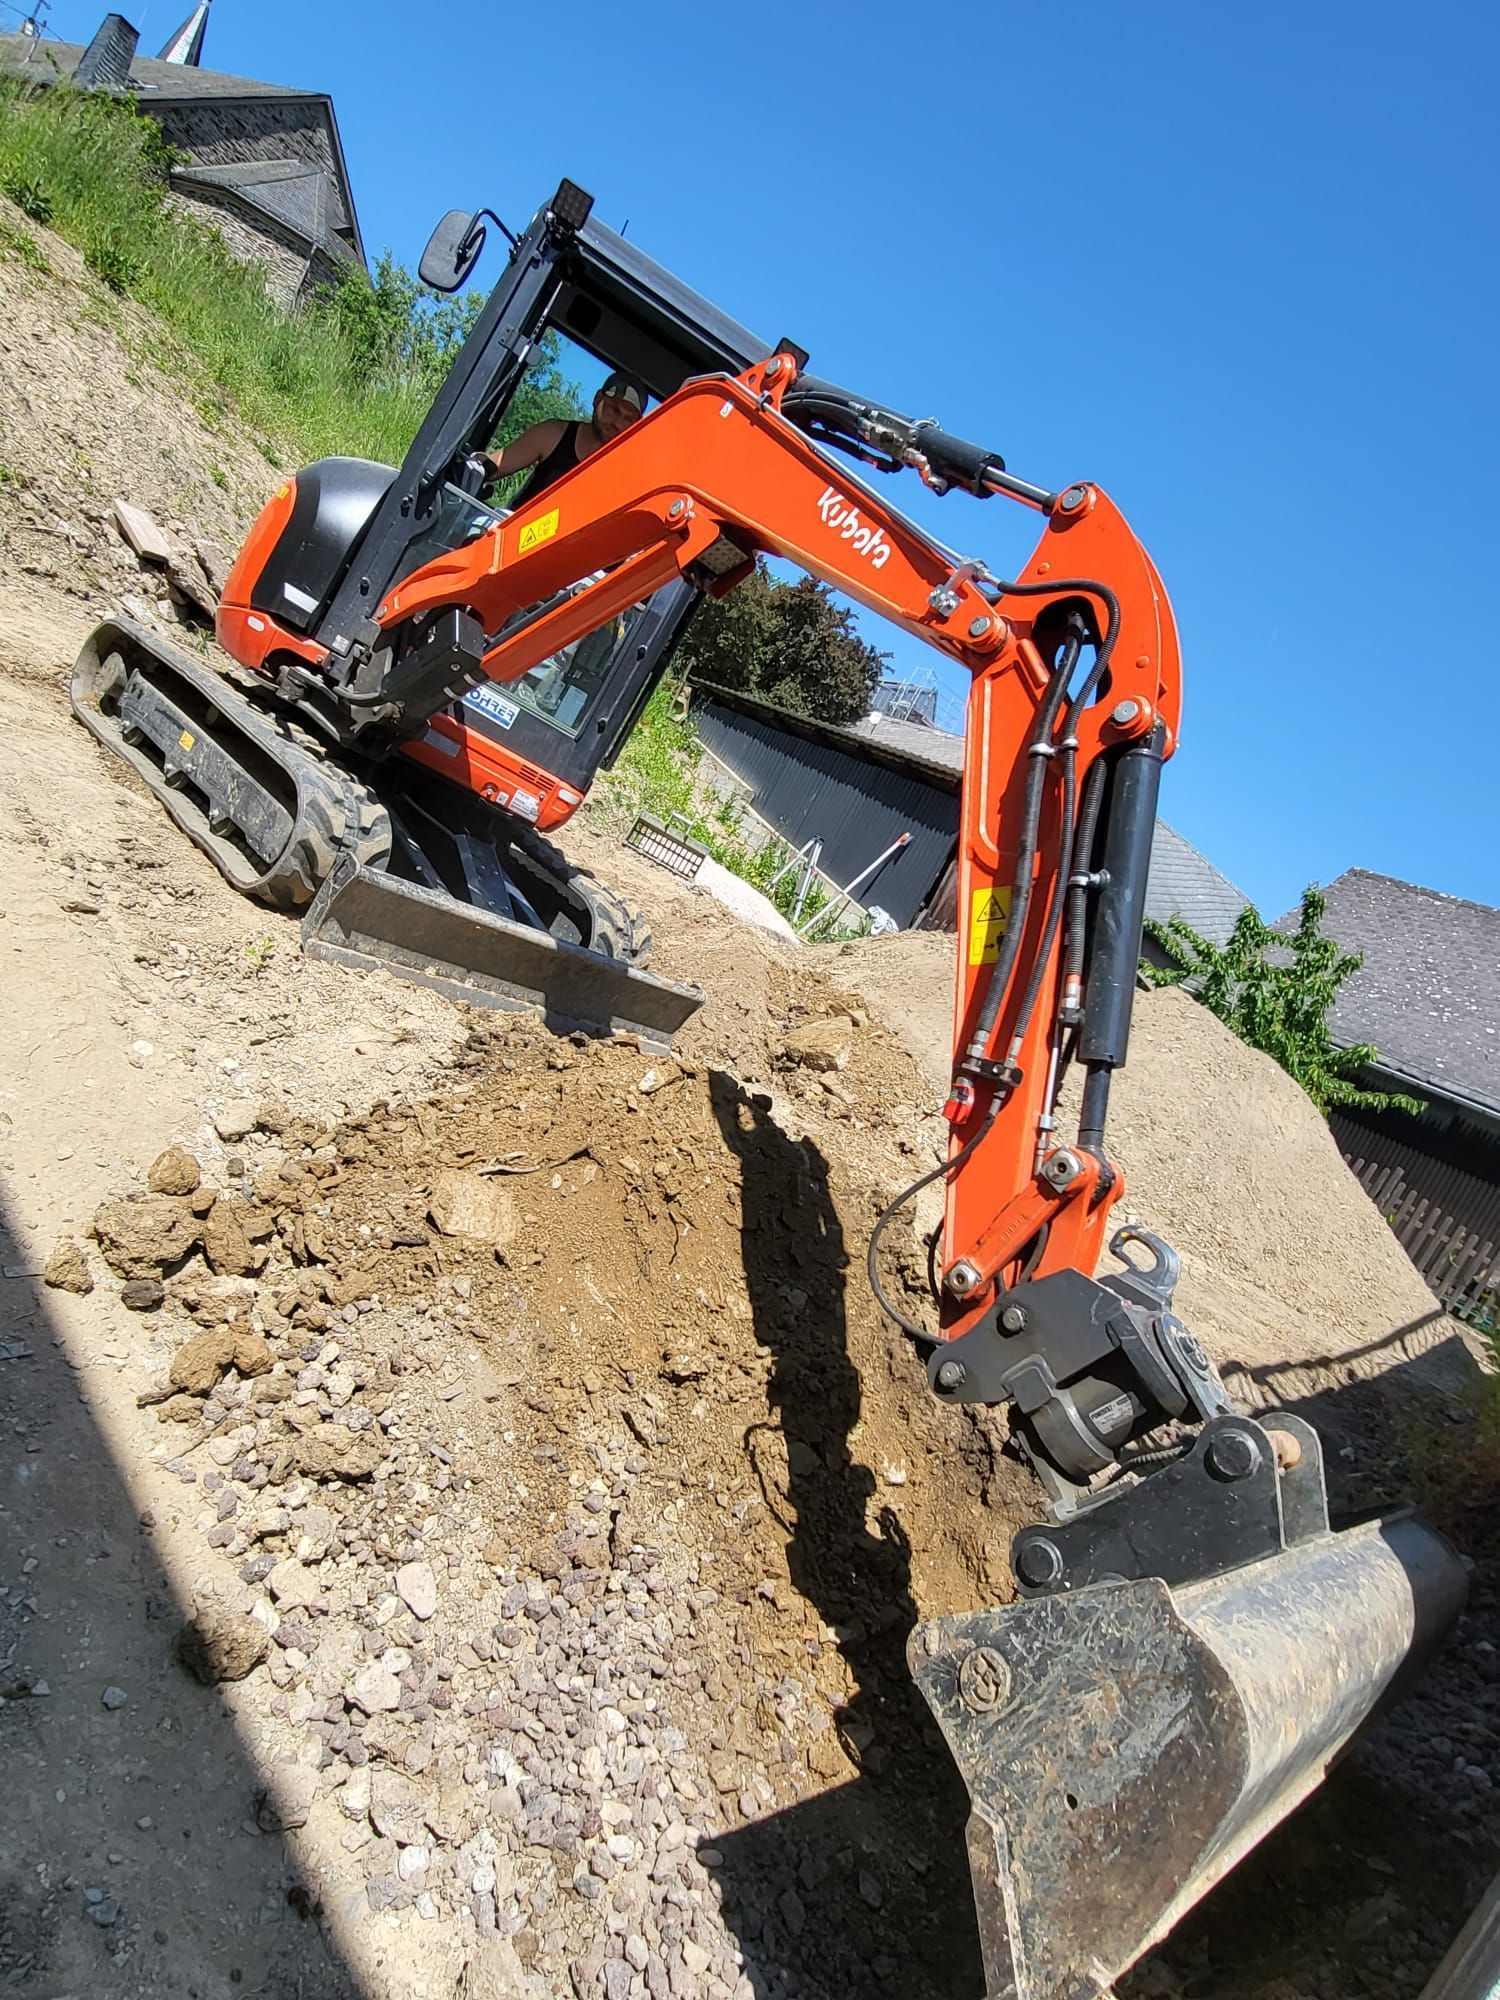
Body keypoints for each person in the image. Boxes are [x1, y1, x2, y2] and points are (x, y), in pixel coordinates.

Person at [481, 370, 648, 505]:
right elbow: (488, 467)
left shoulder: (625, 476)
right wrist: (476, 469)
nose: (618, 424)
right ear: (598, 399)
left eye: (628, 419)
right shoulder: (553, 434)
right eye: (614, 409)